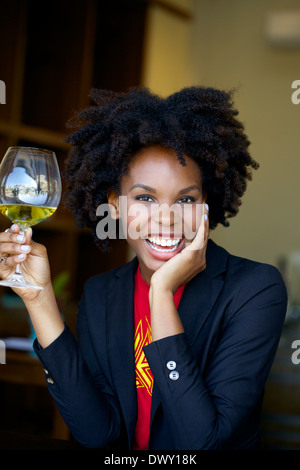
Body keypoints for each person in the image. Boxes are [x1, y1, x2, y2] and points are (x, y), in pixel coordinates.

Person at [0, 86, 287, 450]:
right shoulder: (103, 294)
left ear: (205, 207)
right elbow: (98, 434)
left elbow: (204, 442)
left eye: (185, 199)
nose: (166, 219)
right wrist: (39, 298)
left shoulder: (255, 289)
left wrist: (162, 293)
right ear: (115, 206)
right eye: (145, 198)